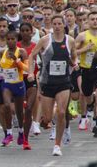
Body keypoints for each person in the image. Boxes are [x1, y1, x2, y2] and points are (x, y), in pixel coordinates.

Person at [28, 15, 77, 157]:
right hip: (47, 82)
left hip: (64, 82)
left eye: (59, 24)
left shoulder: (70, 40)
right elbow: (32, 55)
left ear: (63, 25)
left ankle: (57, 144)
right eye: (54, 24)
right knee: (48, 118)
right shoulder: (45, 40)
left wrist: (74, 65)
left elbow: (73, 56)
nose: (56, 26)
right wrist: (31, 72)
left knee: (62, 112)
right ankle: (46, 122)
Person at [0, 29, 30, 149]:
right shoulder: (2, 52)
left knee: (19, 112)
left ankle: (21, 131)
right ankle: (9, 133)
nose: (10, 41)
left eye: (13, 39)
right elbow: (3, 65)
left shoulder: (21, 52)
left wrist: (17, 61)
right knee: (6, 105)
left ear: (17, 40)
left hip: (19, 84)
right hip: (7, 83)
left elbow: (27, 68)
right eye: (8, 39)